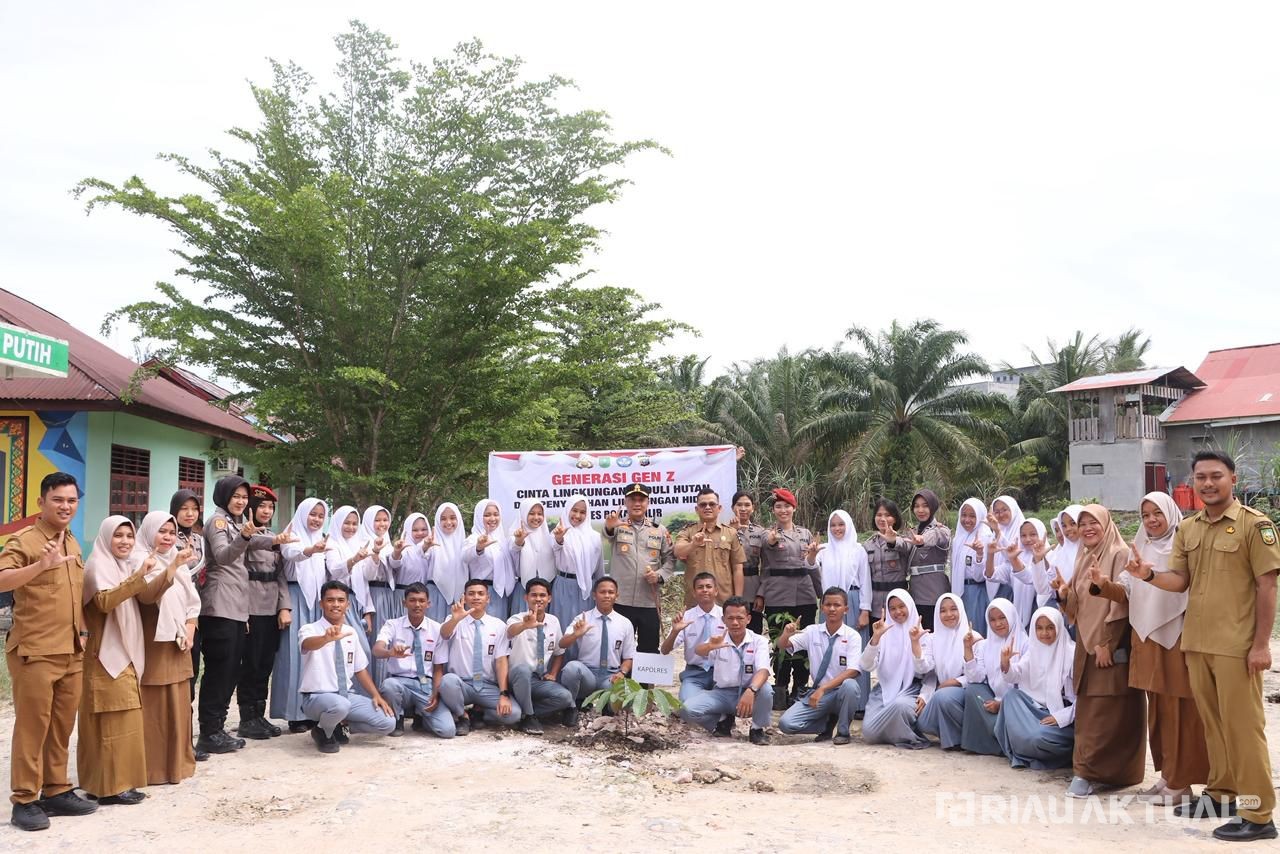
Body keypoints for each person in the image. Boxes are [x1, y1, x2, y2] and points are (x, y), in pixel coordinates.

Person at [1157, 451, 1279, 841]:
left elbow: (1267, 586)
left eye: (1216, 476)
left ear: (1233, 479)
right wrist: (1146, 575)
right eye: (1201, 477)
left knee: (1243, 729)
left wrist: (1261, 646)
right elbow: (1179, 580)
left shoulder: (1254, 526)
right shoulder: (1188, 528)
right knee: (1213, 724)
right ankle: (1223, 793)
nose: (1208, 483)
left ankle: (1258, 814)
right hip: (1198, 642)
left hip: (1237, 646)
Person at [1087, 491, 1208, 805]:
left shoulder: (1183, 546)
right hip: (1145, 639)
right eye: (1145, 515)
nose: (1151, 520)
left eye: (1157, 513)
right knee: (1158, 711)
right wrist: (1102, 584)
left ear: (1170, 513)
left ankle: (1181, 785)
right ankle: (1167, 775)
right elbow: (1126, 592)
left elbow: (1186, 589)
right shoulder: (1140, 545)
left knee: (1179, 711)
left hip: (1175, 637)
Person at [0, 473, 98, 831]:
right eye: (58, 499)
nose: (66, 506)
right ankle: (25, 799)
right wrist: (40, 566)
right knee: (33, 726)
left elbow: (73, 594)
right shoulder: (25, 540)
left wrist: (83, 631)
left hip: (70, 649)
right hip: (36, 651)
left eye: (72, 500)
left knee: (61, 725)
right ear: (41, 502)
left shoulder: (71, 541)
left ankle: (56, 789)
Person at [78, 516, 180, 806]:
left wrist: (166, 569)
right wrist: (138, 577)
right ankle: (108, 787)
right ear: (105, 538)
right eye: (118, 536)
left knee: (124, 721)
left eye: (129, 536)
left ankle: (116, 783)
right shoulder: (98, 565)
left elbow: (143, 595)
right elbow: (104, 602)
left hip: (124, 653)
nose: (124, 541)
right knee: (110, 723)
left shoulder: (123, 565)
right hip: (104, 656)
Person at [1054, 504, 1145, 799]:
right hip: (1087, 641)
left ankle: (1089, 773)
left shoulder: (1119, 554)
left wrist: (1107, 642)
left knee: (1108, 709)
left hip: (1109, 643)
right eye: (1082, 524)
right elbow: (1079, 604)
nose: (1087, 529)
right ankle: (1095, 771)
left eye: (1093, 522)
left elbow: (1123, 601)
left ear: (1106, 524)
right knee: (1092, 708)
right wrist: (1063, 595)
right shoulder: (1084, 555)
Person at [198, 475, 293, 755]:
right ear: (224, 496)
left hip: (235, 606)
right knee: (220, 670)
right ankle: (209, 731)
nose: (240, 501)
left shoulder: (237, 523)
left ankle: (217, 729)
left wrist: (276, 539)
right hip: (220, 604)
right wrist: (245, 536)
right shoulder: (218, 522)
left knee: (230, 670)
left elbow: (254, 541)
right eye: (236, 496)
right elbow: (223, 555)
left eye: (243, 497)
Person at [133, 512, 201, 786]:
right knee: (156, 704)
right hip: (153, 639)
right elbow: (148, 595)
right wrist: (172, 566)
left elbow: (192, 601)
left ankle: (177, 764)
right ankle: (153, 768)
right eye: (162, 531)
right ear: (149, 532)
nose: (168, 537)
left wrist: (190, 627)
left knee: (179, 701)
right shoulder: (139, 559)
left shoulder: (177, 560)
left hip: (180, 640)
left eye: (172, 533)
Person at [297, 581, 396, 753]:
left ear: (347, 605)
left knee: (388, 723)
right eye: (330, 600)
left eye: (341, 600)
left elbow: (360, 669)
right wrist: (325, 638)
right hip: (317, 698)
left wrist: (376, 695)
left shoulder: (351, 632)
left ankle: (339, 727)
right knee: (340, 705)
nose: (336, 604)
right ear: (321, 604)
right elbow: (307, 644)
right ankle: (321, 731)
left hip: (346, 696)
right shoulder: (310, 629)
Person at [757, 488, 822, 708]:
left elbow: (812, 565)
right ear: (773, 510)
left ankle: (800, 687)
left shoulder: (805, 534)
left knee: (804, 642)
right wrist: (773, 539)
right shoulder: (768, 534)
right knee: (780, 643)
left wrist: (821, 593)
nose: (783, 510)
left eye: (787, 506)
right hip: (778, 595)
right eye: (778, 506)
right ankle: (781, 686)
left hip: (805, 594)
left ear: (794, 508)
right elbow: (768, 548)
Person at [680, 596, 773, 745]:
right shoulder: (718, 639)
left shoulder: (758, 641)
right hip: (722, 694)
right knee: (686, 710)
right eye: (730, 618)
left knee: (766, 690)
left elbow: (763, 671)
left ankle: (757, 729)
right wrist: (710, 646)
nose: (735, 623)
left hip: (749, 693)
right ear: (723, 620)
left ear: (748, 619)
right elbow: (698, 651)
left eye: (740, 618)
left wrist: (751, 690)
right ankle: (722, 722)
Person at [237, 485, 291, 740]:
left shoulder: (273, 537)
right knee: (251, 663)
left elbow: (280, 575)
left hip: (271, 608)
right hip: (251, 607)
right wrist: (242, 612)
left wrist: (284, 607)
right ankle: (247, 718)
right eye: (262, 506)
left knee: (265, 663)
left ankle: (259, 715)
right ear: (251, 509)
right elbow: (238, 577)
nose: (267, 511)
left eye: (270, 507)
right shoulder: (242, 535)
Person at [273, 497, 330, 733]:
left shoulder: (322, 539)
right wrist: (311, 550)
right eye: (312, 514)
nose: (316, 519)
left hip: (316, 602)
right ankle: (294, 714)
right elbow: (291, 554)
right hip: (295, 598)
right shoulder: (292, 533)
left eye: (321, 516)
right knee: (293, 655)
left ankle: (312, 711)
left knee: (315, 657)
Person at [805, 510, 870, 715]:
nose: (837, 529)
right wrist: (812, 554)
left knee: (856, 652)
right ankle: (828, 699)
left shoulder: (858, 550)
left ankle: (859, 703)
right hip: (830, 604)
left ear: (848, 525)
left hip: (852, 600)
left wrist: (865, 610)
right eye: (833, 525)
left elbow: (865, 580)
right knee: (830, 649)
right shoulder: (824, 550)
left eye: (841, 524)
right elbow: (810, 565)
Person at [777, 587, 863, 744]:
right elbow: (784, 645)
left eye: (837, 605)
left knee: (850, 686)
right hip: (819, 694)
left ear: (846, 609)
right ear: (821, 607)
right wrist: (786, 634)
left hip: (840, 692)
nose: (832, 609)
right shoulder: (812, 631)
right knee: (786, 724)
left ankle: (843, 731)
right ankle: (827, 724)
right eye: (828, 604)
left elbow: (853, 671)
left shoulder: (852, 636)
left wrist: (823, 689)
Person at [994, 607, 1076, 770]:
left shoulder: (1072, 653)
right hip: (1034, 712)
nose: (1044, 633)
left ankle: (1025, 744)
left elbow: (1083, 699)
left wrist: (1060, 718)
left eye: (1050, 627)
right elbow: (1015, 676)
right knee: (1011, 696)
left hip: (1062, 717)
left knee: (1038, 738)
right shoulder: (1034, 650)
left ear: (1059, 627)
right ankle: (1025, 742)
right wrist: (1005, 663)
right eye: (1039, 628)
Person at [437, 579, 522, 733]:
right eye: (471, 594)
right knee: (447, 681)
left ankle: (479, 712)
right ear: (464, 598)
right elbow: (444, 634)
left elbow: (501, 661)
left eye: (480, 594)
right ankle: (462, 715)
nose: (476, 597)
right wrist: (455, 619)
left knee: (514, 715)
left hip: (487, 685)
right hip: (461, 684)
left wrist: (503, 694)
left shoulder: (498, 625)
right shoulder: (454, 620)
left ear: (487, 598)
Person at [373, 582, 454, 738]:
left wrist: (436, 693)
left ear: (428, 604)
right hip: (399, 682)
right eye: (412, 600)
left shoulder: (437, 629)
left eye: (422, 601)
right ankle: (397, 717)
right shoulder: (393, 625)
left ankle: (421, 715)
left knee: (447, 731)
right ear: (404, 603)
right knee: (389, 685)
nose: (417, 605)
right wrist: (389, 652)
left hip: (425, 684)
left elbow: (438, 668)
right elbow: (377, 650)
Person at [603, 483, 674, 653]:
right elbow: (607, 534)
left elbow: (670, 559)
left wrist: (659, 575)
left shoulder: (659, 530)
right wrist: (610, 526)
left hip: (649, 600)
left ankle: (645, 673)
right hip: (621, 600)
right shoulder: (617, 526)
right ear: (625, 502)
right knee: (618, 649)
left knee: (648, 650)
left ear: (647, 502)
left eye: (641, 500)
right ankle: (622, 672)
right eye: (632, 499)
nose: (637, 503)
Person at [858, 588, 931, 749]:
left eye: (901, 606)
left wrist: (915, 643)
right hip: (885, 688)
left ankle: (903, 733)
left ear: (910, 606)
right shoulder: (883, 634)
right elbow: (865, 665)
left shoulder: (923, 636)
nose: (897, 612)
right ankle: (896, 730)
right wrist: (876, 638)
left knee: (900, 706)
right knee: (869, 733)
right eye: (892, 608)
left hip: (912, 688)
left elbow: (927, 672)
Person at [505, 578, 575, 734]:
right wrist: (525, 625)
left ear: (549, 598)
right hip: (516, 678)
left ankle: (525, 714)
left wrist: (553, 673)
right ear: (526, 597)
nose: (538, 599)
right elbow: (511, 631)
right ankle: (529, 716)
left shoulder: (553, 621)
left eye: (542, 595)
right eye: (534, 595)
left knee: (565, 697)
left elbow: (559, 652)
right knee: (522, 670)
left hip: (538, 679)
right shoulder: (517, 618)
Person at [959, 597, 1027, 756]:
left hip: (1017, 703)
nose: (998, 624)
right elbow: (975, 678)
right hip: (994, 698)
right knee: (973, 690)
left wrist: (1002, 704)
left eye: (1002, 618)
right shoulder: (985, 645)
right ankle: (998, 737)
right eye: (993, 620)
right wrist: (968, 650)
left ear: (1011, 616)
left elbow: (1026, 685)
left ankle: (1004, 737)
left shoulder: (1026, 644)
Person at [559, 576, 636, 712]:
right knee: (571, 668)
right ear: (594, 595)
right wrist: (576, 634)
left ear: (616, 596)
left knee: (619, 704)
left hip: (611, 676)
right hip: (587, 674)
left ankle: (606, 705)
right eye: (602, 592)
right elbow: (562, 644)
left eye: (611, 592)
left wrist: (622, 673)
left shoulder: (625, 623)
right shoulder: (582, 619)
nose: (607, 596)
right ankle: (572, 706)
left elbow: (629, 657)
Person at [917, 592, 976, 750]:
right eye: (943, 611)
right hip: (941, 691)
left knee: (944, 697)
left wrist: (955, 682)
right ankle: (957, 735)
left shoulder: (972, 637)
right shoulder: (932, 639)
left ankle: (963, 739)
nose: (948, 614)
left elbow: (979, 675)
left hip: (966, 690)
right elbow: (925, 669)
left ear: (961, 610)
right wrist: (915, 644)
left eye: (953, 609)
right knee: (922, 721)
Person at [660, 572, 724, 703]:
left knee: (724, 703)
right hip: (694, 673)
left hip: (722, 671)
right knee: (687, 705)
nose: (705, 590)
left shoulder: (726, 616)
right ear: (694, 593)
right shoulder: (686, 617)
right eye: (700, 587)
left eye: (708, 586)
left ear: (716, 591)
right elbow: (665, 650)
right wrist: (674, 632)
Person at [674, 488, 745, 605]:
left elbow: (737, 568)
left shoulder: (731, 533)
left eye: (712, 504)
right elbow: (678, 551)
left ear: (719, 508)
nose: (707, 507)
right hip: (695, 601)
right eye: (703, 505)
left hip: (724, 600)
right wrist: (693, 544)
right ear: (697, 509)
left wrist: (738, 600)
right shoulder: (688, 531)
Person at [352, 505, 398, 680]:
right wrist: (375, 553)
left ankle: (387, 683)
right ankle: (375, 685)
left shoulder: (388, 543)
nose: (382, 524)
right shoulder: (362, 543)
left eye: (385, 520)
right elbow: (368, 575)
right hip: (373, 594)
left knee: (388, 638)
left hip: (388, 595)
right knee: (375, 639)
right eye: (377, 520)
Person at [323, 505, 374, 661]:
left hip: (357, 603)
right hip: (339, 603)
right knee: (349, 647)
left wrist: (367, 611)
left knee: (360, 650)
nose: (351, 527)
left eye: (354, 523)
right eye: (346, 523)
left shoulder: (359, 545)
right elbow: (334, 570)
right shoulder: (331, 544)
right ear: (338, 522)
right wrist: (354, 560)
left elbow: (364, 581)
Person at [549, 494, 602, 633]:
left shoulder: (595, 537)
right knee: (564, 626)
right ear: (568, 510)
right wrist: (559, 539)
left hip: (588, 588)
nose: (578, 515)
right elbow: (556, 548)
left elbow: (599, 568)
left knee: (586, 628)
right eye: (574, 510)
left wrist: (599, 590)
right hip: (564, 586)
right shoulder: (558, 533)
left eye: (582, 512)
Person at [463, 499, 518, 620]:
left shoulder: (502, 540)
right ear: (479, 517)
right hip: (480, 593)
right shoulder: (473, 538)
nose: (492, 518)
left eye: (496, 514)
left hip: (501, 594)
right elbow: (465, 557)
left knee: (498, 627)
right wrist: (478, 547)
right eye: (487, 515)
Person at [907, 490, 951, 631]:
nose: (920, 510)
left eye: (925, 505)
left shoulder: (942, 530)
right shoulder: (913, 531)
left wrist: (922, 540)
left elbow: (935, 537)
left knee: (933, 632)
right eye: (916, 506)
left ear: (932, 506)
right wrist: (892, 542)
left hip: (933, 592)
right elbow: (904, 544)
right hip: (915, 592)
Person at [865, 498, 915, 622]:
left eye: (887, 515)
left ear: (895, 518)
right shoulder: (868, 545)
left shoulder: (903, 540)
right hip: (875, 605)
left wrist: (892, 541)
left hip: (899, 605)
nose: (883, 519)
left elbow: (905, 547)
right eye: (879, 515)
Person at [950, 498, 994, 636]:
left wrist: (979, 554)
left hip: (976, 592)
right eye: (964, 515)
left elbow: (980, 576)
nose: (967, 520)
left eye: (972, 516)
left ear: (980, 516)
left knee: (974, 631)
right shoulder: (958, 539)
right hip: (959, 591)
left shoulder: (986, 537)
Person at [729, 492, 767, 633]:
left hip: (752, 587)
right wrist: (733, 531)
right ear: (733, 507)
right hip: (729, 585)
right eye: (739, 505)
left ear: (753, 508)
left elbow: (767, 566)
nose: (743, 508)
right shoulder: (725, 530)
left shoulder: (760, 532)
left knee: (754, 629)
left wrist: (761, 594)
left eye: (747, 505)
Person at [983, 495, 1025, 608]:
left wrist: (998, 532)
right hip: (998, 585)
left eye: (1004, 510)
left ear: (1013, 509)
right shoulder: (995, 533)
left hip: (1019, 588)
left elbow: (1013, 558)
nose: (1001, 515)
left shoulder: (1024, 532)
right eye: (997, 512)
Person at [430, 503, 467, 624]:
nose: (448, 522)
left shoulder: (466, 543)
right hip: (435, 596)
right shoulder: (431, 543)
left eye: (452, 518)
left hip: (460, 598)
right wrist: (425, 547)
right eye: (443, 519)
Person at [509, 502, 554, 602]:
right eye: (531, 513)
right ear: (524, 514)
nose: (536, 517)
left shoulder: (548, 537)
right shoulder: (515, 535)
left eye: (540, 514)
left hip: (546, 590)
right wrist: (519, 540)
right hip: (524, 589)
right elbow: (514, 548)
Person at [389, 512, 434, 589]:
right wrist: (397, 552)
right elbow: (394, 564)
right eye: (415, 530)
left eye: (424, 529)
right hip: (403, 593)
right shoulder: (403, 549)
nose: (420, 533)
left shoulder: (432, 550)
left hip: (424, 594)